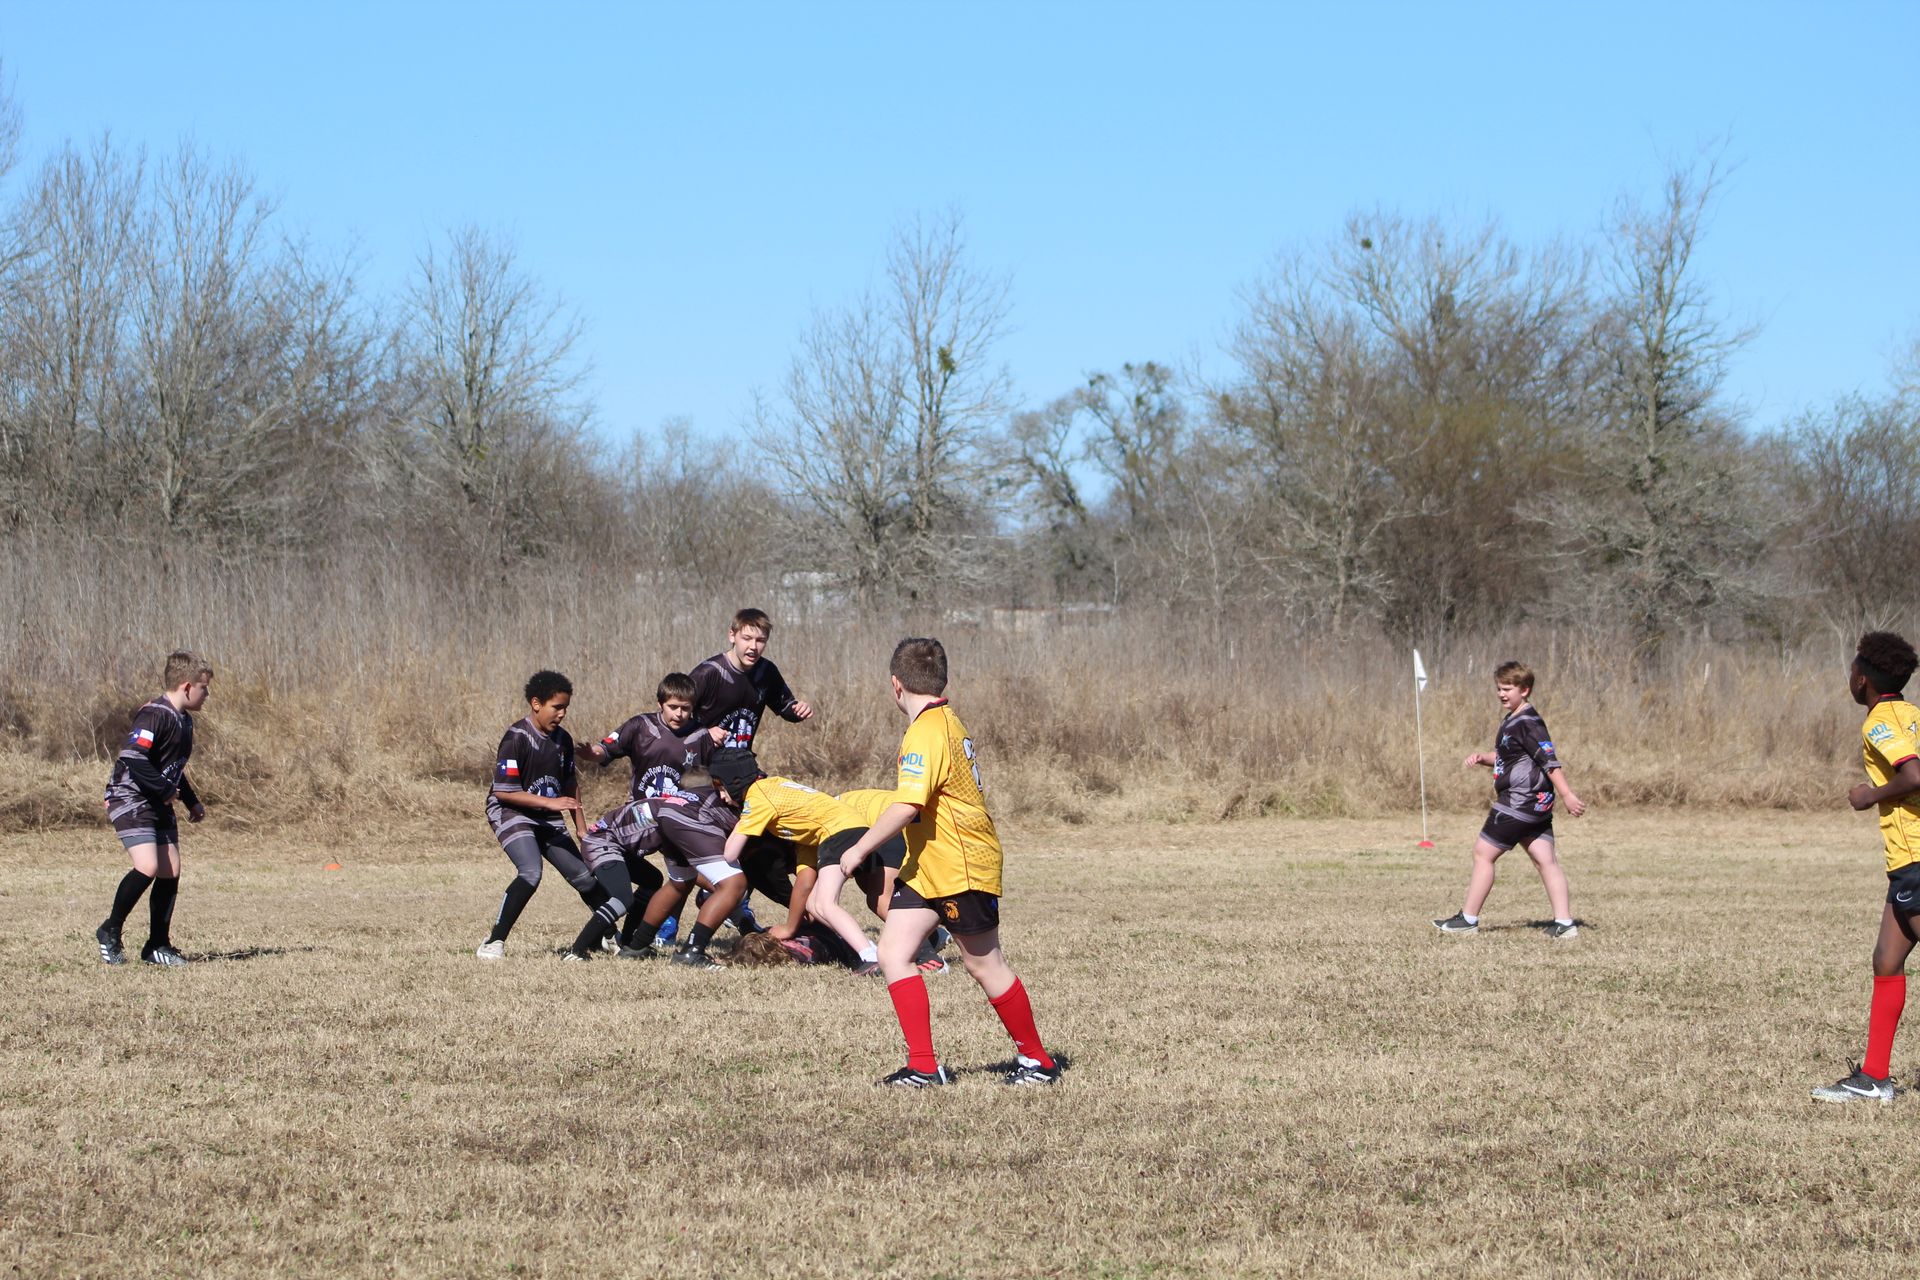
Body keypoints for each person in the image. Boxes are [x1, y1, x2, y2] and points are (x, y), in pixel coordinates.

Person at [829, 637, 1063, 1087]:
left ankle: (1038, 1061)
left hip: (961, 865)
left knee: (984, 964)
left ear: (895, 685)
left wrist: (859, 848)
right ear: (944, 682)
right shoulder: (946, 720)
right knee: (894, 954)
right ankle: (923, 1067)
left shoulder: (926, 732)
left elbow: (907, 805)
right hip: (928, 867)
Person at [1813, 632, 1920, 1103]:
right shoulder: (1913, 716)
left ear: (1862, 680)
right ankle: (1874, 1077)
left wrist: (1868, 796)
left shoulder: (1879, 721)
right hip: (1905, 864)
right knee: (1886, 959)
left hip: (1916, 858)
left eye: (1851, 669)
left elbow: (1914, 775)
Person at [1431, 660, 1587, 940]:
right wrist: (1483, 758)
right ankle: (1565, 924)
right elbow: (1508, 757)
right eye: (1499, 689)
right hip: (1535, 805)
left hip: (1519, 802)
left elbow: (1549, 761)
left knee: (1483, 853)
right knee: (1545, 860)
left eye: (1508, 689)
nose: (1501, 694)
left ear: (1524, 690)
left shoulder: (1528, 723)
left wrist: (1567, 794)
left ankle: (1468, 919)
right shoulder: (1514, 719)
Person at [684, 610, 813, 938]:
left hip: (741, 773)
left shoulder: (766, 672)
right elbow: (675, 715)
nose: (754, 646)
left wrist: (797, 711)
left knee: (760, 837)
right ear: (732, 636)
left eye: (760, 640)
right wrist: (704, 731)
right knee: (690, 843)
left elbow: (784, 706)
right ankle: (670, 923)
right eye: (747, 638)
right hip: (699, 771)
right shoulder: (709, 673)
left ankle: (734, 902)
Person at [707, 748, 881, 972]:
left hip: (840, 832)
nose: (722, 797)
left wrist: (743, 819)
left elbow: (730, 853)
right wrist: (792, 924)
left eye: (721, 788)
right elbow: (805, 879)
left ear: (734, 780)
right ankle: (869, 949)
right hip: (844, 830)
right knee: (814, 906)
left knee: (825, 904)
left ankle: (871, 957)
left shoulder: (758, 796)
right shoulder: (784, 800)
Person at [474, 671, 606, 960]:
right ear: (536, 703)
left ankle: (609, 936)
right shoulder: (516, 738)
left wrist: (581, 829)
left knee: (584, 876)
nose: (562, 713)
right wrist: (550, 804)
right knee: (531, 872)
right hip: (511, 812)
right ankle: (493, 941)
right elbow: (504, 792)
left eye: (565, 707)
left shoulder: (563, 740)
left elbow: (571, 785)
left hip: (546, 814)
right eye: (556, 707)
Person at [96, 651, 213, 967]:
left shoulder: (184, 720)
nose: (207, 694)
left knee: (170, 868)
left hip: (157, 798)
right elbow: (133, 758)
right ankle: (110, 930)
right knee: (148, 865)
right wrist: (164, 790)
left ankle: (156, 945)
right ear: (187, 687)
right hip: (130, 796)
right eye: (205, 688)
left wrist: (191, 800)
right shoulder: (154, 714)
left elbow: (174, 767)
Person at [622, 779, 749, 970]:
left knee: (680, 883)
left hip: (668, 813)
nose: (723, 795)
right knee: (734, 884)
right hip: (689, 818)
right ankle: (692, 951)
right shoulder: (754, 797)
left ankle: (636, 946)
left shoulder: (715, 786)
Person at [586, 672, 725, 803]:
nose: (679, 714)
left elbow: (714, 777)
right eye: (673, 707)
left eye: (685, 708)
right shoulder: (640, 726)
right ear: (660, 704)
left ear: (693, 707)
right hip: (640, 809)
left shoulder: (700, 735)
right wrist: (592, 754)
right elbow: (606, 749)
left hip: (680, 814)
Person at [560, 797, 668, 961]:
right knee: (623, 898)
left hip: (617, 843)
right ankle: (576, 952)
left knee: (652, 879)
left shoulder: (671, 805)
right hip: (601, 842)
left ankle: (628, 942)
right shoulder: (675, 813)